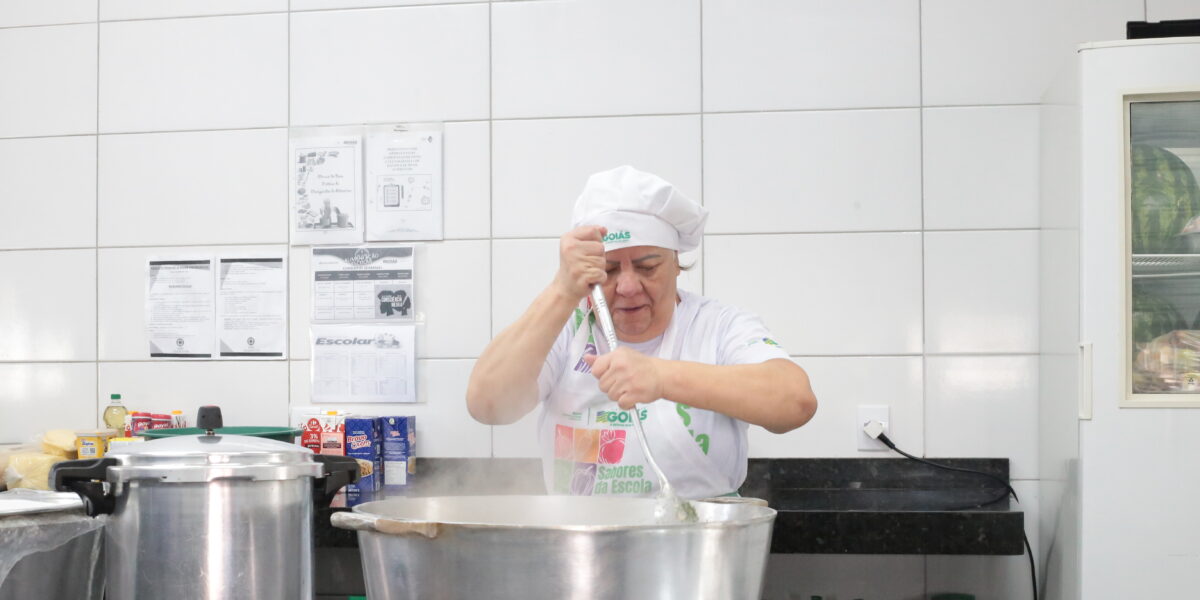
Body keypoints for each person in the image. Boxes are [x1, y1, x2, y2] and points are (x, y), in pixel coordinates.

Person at [467, 166, 817, 499]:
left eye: (648, 267)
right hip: (580, 547)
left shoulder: (719, 326)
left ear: (677, 264)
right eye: (608, 270)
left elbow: (795, 402)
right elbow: (488, 405)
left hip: (697, 546)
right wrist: (562, 289)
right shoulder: (564, 328)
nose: (629, 286)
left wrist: (660, 377)